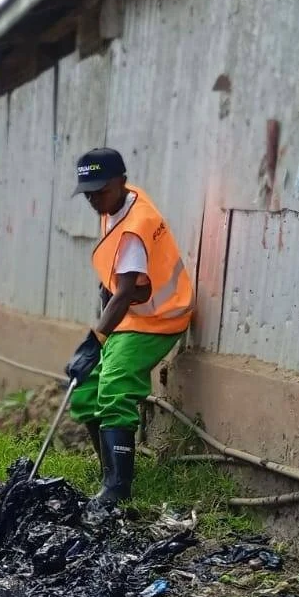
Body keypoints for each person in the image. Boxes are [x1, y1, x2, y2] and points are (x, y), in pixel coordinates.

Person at [65, 148, 194, 506]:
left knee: (116, 382)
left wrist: (94, 342)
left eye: (100, 190)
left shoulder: (136, 227)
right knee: (86, 385)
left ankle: (118, 489)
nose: (93, 199)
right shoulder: (116, 202)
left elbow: (122, 295)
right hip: (135, 313)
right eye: (88, 192)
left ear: (121, 180)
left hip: (160, 317)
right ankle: (108, 469)